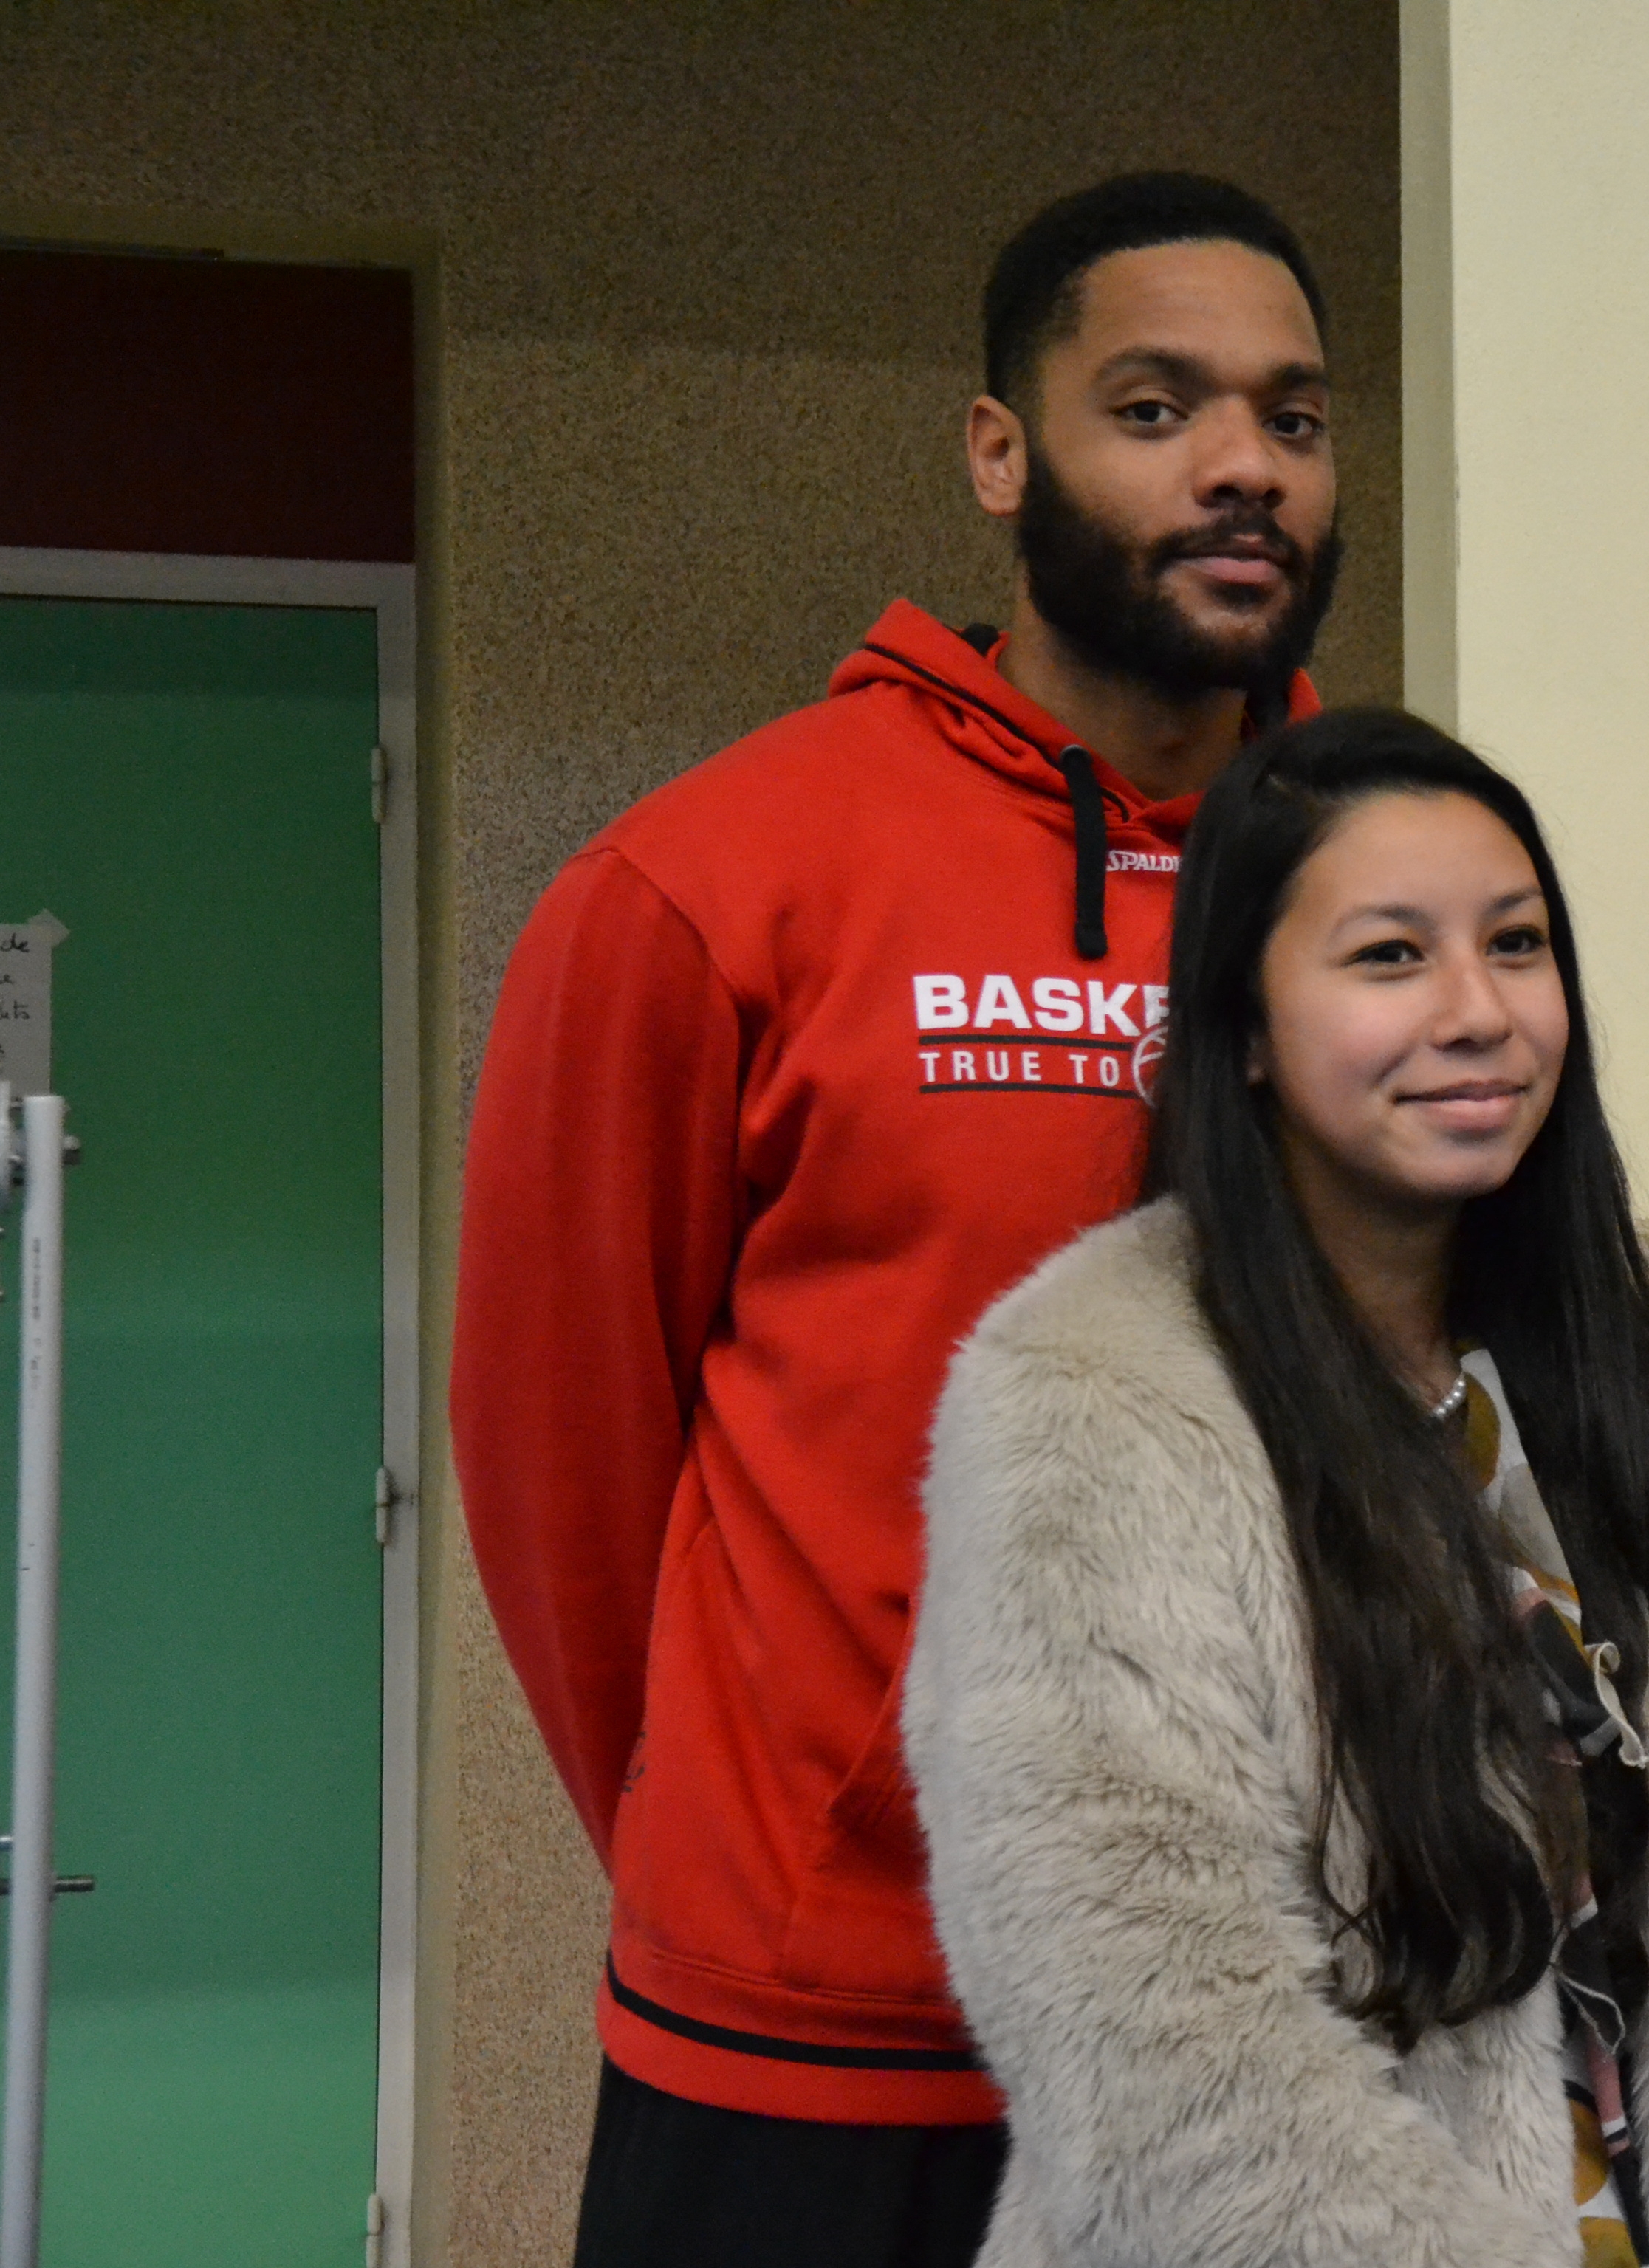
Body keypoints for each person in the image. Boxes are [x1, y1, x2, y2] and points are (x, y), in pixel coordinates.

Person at [451, 171, 1340, 2266]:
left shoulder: (1396, 898)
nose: (1241, 467)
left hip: (1257, 2018)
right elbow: (565, 1466)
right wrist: (758, 1847)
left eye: (1294, 420)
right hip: (813, 2036)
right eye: (1157, 407)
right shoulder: (709, 881)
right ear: (998, 452)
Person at [904, 711, 1649, 2267]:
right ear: (1245, 1019)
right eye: (1388, 958)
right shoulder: (1089, 1396)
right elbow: (1164, 2060)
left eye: (1517, 946)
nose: (1477, 1012)